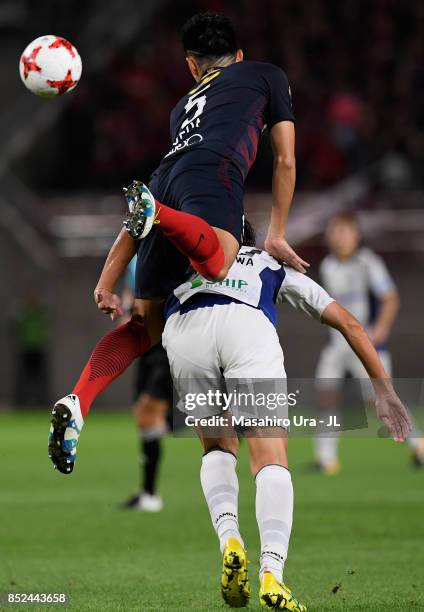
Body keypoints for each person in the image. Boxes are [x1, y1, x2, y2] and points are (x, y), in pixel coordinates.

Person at [48, 11, 308, 472]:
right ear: (240, 56)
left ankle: (78, 400)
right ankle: (162, 214)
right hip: (212, 172)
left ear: (192, 65)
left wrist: (107, 280)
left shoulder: (180, 107)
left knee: (142, 327)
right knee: (218, 262)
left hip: (165, 179)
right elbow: (285, 158)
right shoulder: (266, 74)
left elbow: (146, 205)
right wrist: (278, 232)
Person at [159, 222, 410, 610]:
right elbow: (350, 322)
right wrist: (383, 389)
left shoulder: (182, 267)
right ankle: (272, 574)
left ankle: (229, 539)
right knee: (270, 455)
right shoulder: (269, 263)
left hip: (184, 328)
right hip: (245, 326)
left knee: (216, 447)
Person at [313, 212, 424, 474]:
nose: (338, 237)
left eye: (343, 231)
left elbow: (390, 297)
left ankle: (418, 443)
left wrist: (380, 330)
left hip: (367, 345)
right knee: (326, 397)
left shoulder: (368, 262)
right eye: (334, 232)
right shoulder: (328, 265)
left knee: (380, 402)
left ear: (355, 235)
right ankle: (326, 460)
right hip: (338, 345)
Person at [120, 258, 172, 512]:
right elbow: (132, 290)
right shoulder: (134, 251)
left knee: (148, 409)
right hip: (146, 343)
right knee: (143, 415)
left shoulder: (169, 245)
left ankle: (150, 495)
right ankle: (148, 493)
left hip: (167, 341)